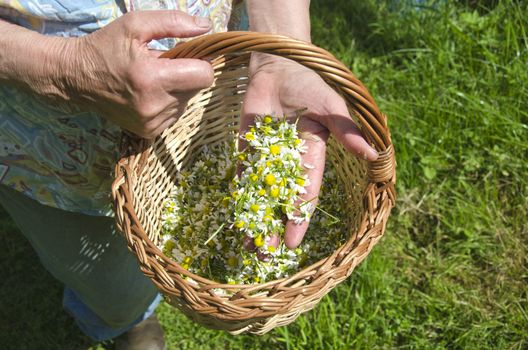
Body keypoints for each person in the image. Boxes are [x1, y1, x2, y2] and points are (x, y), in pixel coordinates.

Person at [0, 0, 378, 348]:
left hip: (217, 78)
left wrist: (282, 49)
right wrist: (64, 68)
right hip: (44, 146)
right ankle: (126, 322)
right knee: (105, 280)